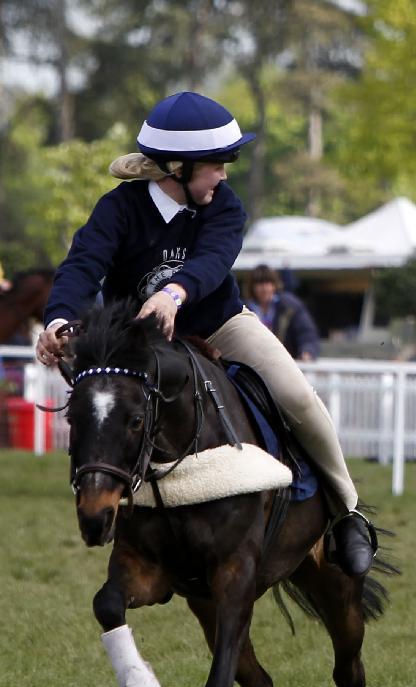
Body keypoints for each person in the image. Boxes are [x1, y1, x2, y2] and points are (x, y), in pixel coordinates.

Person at [35, 91, 374, 576]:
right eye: (217, 163)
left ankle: (347, 513)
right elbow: (82, 265)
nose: (225, 174)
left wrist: (172, 295)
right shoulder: (118, 209)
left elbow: (212, 263)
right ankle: (108, 502)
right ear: (177, 168)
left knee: (299, 397)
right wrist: (58, 322)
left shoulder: (226, 205)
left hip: (220, 323)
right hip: (139, 339)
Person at [245, 264, 320, 361]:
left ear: (274, 285)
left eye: (268, 283)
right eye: (259, 284)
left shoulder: (290, 306)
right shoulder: (243, 310)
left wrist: (307, 351)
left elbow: (307, 334)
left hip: (286, 363)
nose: (264, 288)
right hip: (253, 365)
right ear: (252, 287)